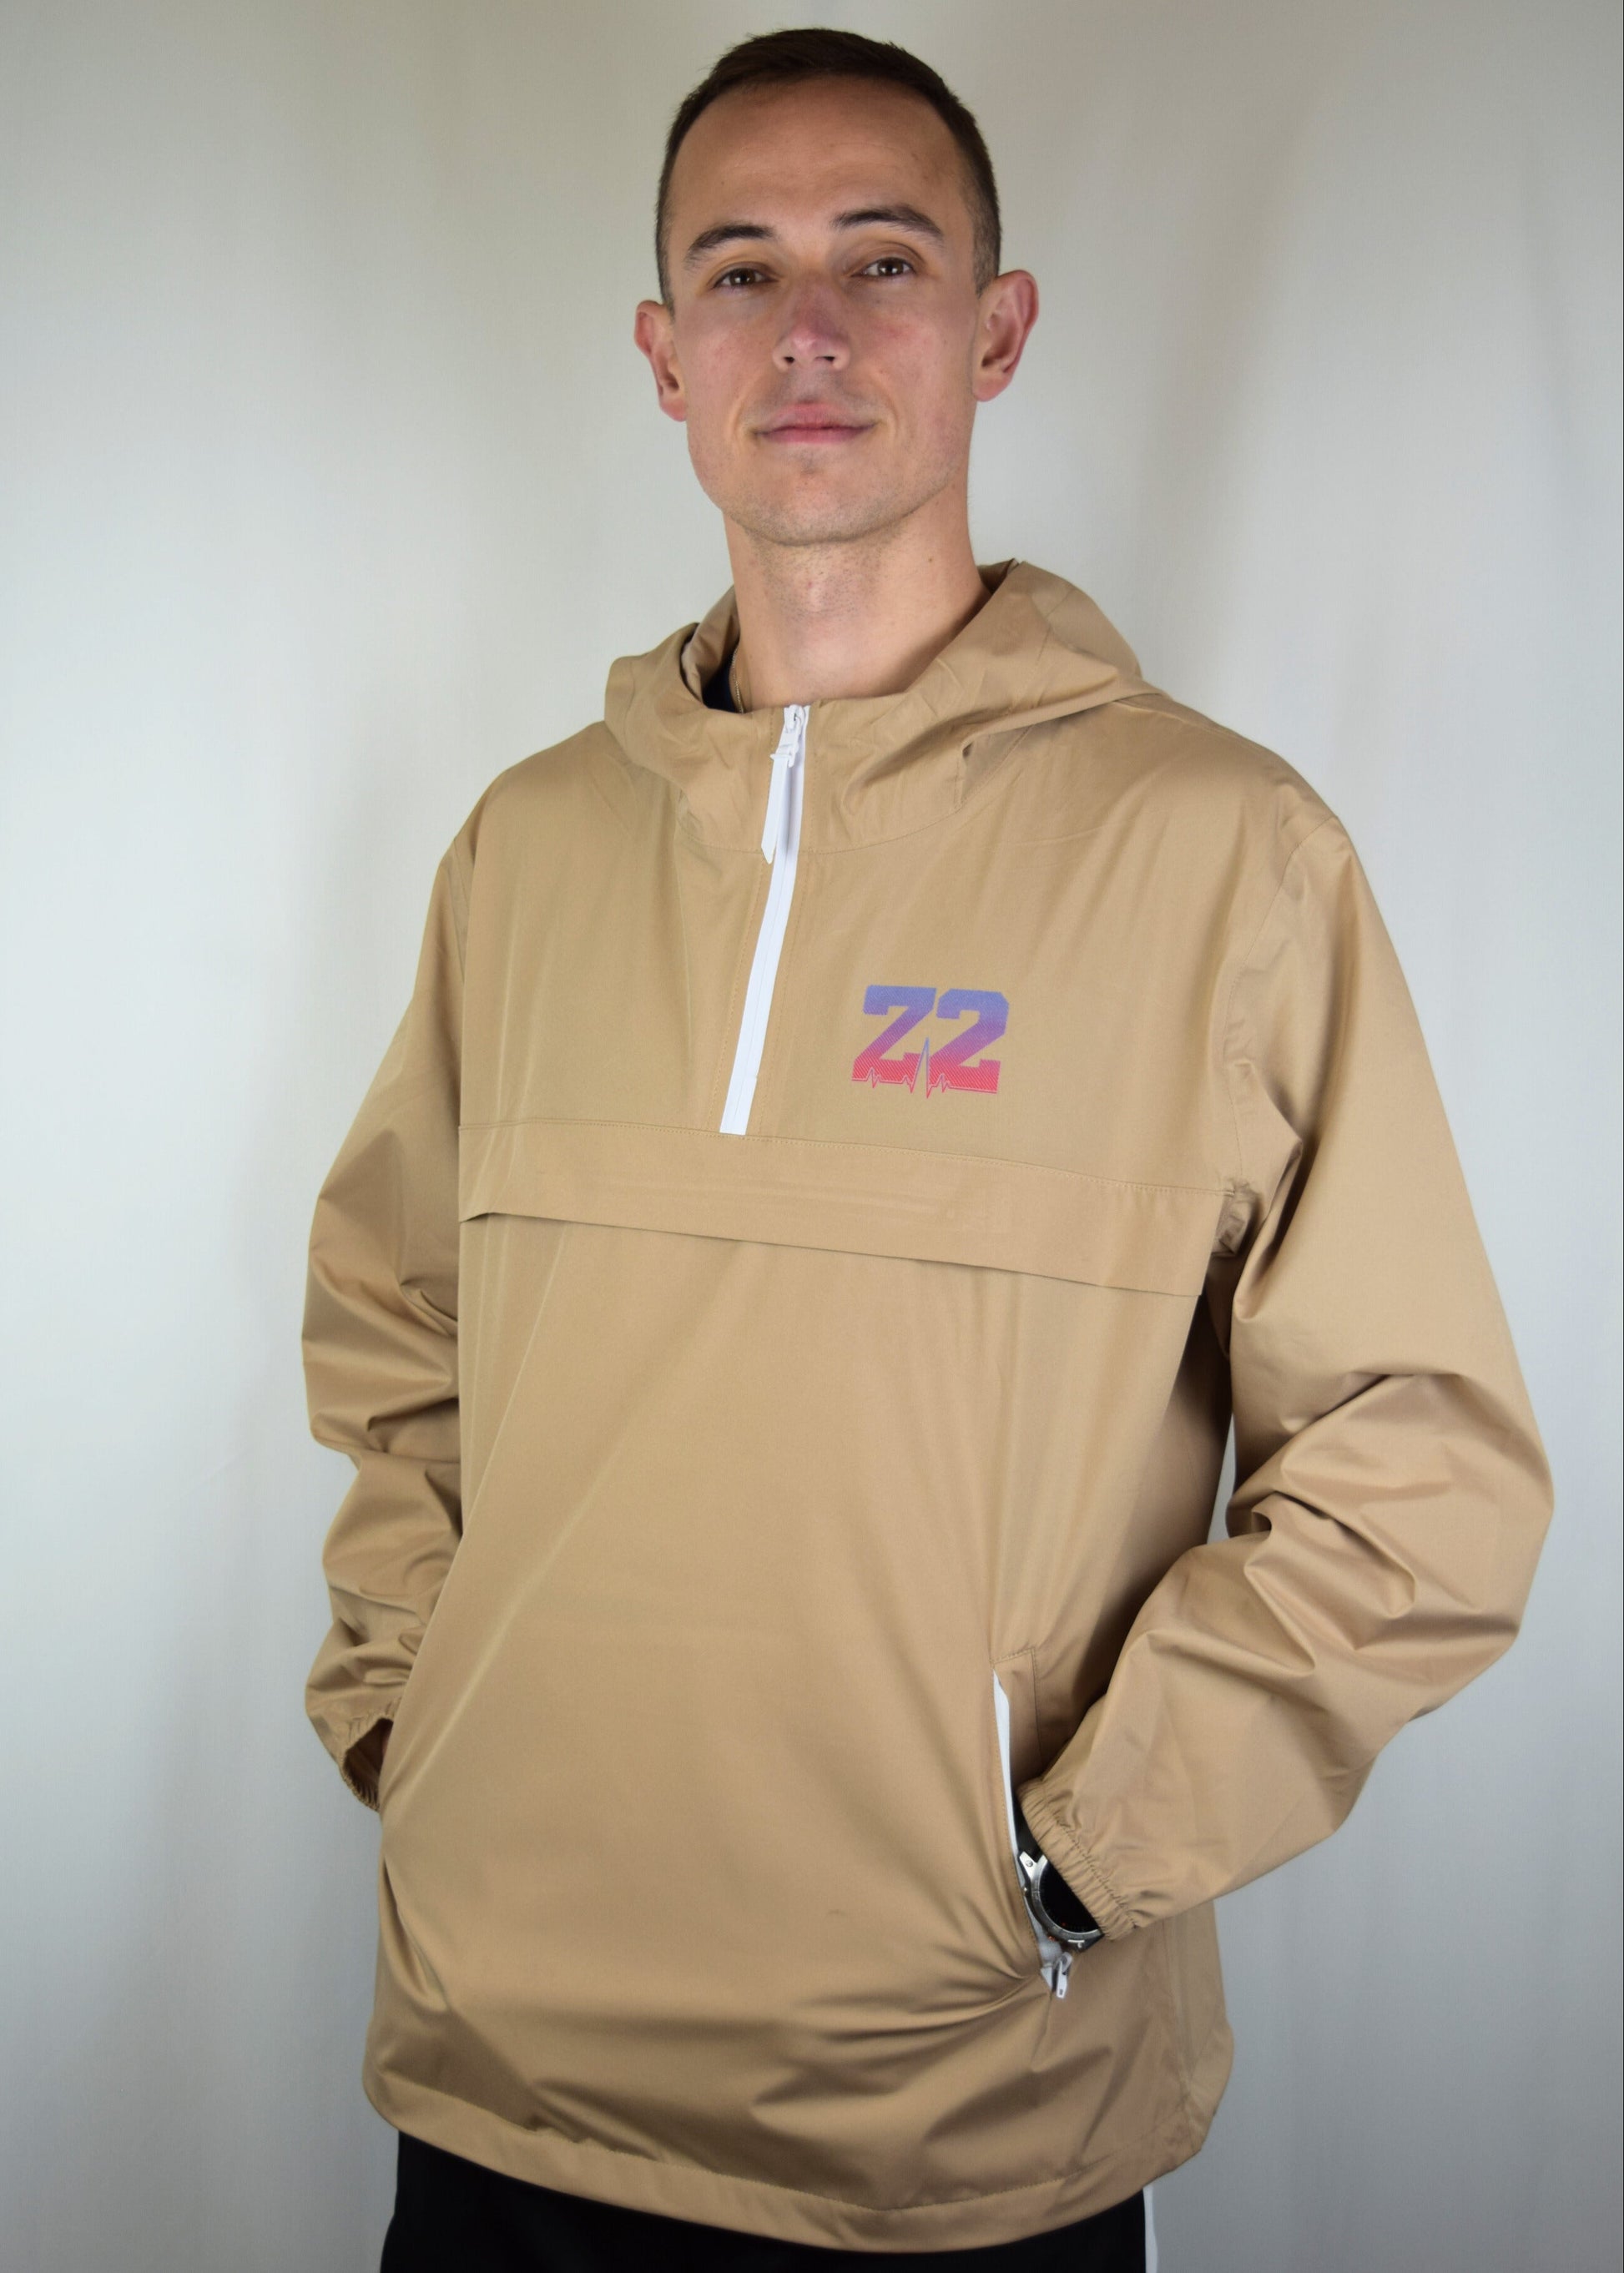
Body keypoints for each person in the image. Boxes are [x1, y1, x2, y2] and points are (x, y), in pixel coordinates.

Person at [301, 28, 1554, 2270]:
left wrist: (1068, 1861)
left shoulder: (1224, 856)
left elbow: (1422, 1469)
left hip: (962, 2127)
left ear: (995, 329)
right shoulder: (527, 849)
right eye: (742, 269)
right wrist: (417, 1728)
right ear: (664, 356)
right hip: (498, 2080)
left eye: (881, 260)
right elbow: (397, 1338)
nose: (808, 329)